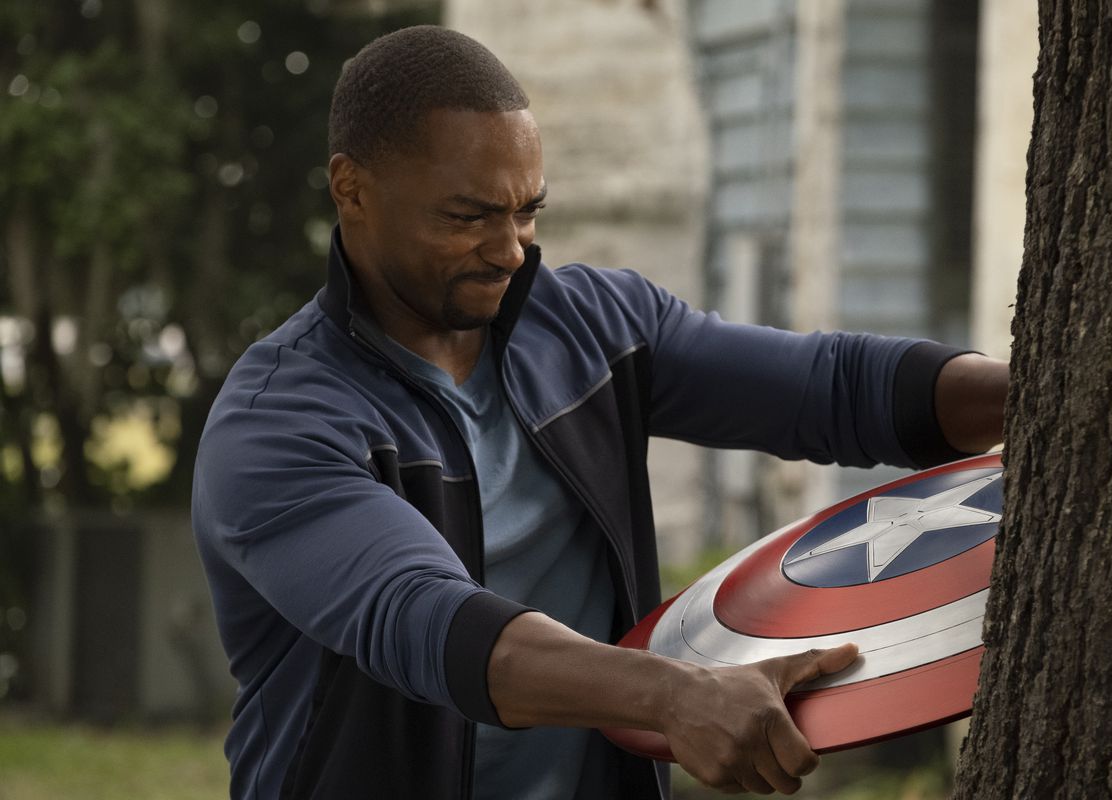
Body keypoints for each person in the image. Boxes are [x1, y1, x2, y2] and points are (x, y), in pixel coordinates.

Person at [191, 25, 1008, 800]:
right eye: (468, 217)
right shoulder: (278, 425)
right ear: (352, 189)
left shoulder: (594, 327)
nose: (511, 248)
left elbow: (833, 386)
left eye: (527, 210)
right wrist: (673, 696)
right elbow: (432, 622)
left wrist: (1038, 399)